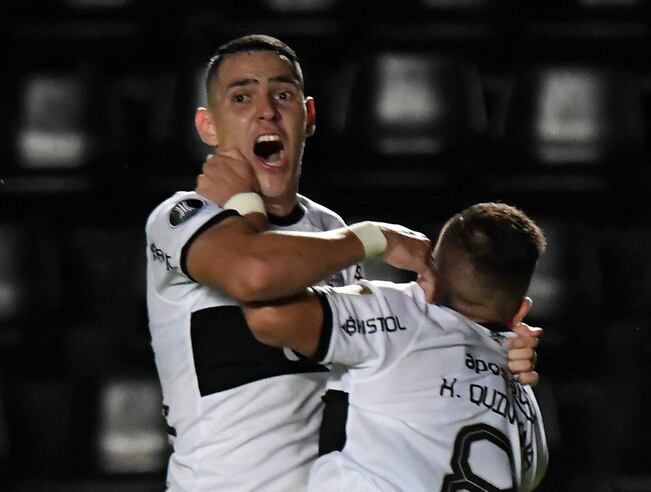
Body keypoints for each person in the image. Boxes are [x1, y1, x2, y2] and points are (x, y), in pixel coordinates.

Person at [146, 34, 541, 491]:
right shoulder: (182, 219)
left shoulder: (327, 229)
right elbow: (254, 274)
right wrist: (376, 237)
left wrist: (499, 347)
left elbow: (404, 345)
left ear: (307, 115)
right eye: (241, 97)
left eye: (283, 94)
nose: (266, 110)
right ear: (208, 126)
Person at [241, 202, 550, 491]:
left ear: (425, 277)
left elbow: (266, 312)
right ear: (520, 311)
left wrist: (375, 238)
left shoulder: (400, 315)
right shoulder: (529, 417)